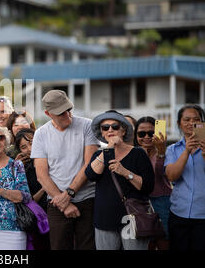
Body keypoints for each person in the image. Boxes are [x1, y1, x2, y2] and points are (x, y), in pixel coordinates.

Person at [31, 90, 99, 250]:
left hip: (87, 198)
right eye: (61, 113)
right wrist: (64, 203)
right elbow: (41, 174)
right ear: (48, 113)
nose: (68, 115)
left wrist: (69, 194)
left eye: (69, 109)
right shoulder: (41, 134)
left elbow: (89, 165)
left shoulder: (87, 125)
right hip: (56, 203)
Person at [85, 110, 155, 250]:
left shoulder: (138, 153)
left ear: (123, 131)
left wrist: (125, 172)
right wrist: (109, 149)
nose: (110, 129)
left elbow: (148, 186)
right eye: (105, 127)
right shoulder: (99, 155)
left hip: (133, 219)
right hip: (105, 219)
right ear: (102, 133)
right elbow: (91, 175)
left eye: (115, 126)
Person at [164, 104, 205, 250]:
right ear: (179, 124)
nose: (191, 123)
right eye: (186, 119)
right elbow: (172, 176)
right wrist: (186, 151)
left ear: (202, 123)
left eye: (196, 119)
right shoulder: (172, 149)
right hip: (179, 213)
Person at [134, 116, 171, 250]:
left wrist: (161, 152)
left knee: (164, 241)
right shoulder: (132, 153)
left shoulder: (168, 151)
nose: (147, 137)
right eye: (141, 134)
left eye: (151, 133)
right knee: (145, 243)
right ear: (135, 135)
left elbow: (161, 173)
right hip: (140, 203)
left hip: (162, 201)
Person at [14, 128, 50, 250]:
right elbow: (29, 200)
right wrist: (46, 187)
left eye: (31, 143)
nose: (30, 149)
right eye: (24, 147)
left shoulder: (50, 160)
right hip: (38, 220)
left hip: (56, 212)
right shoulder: (24, 170)